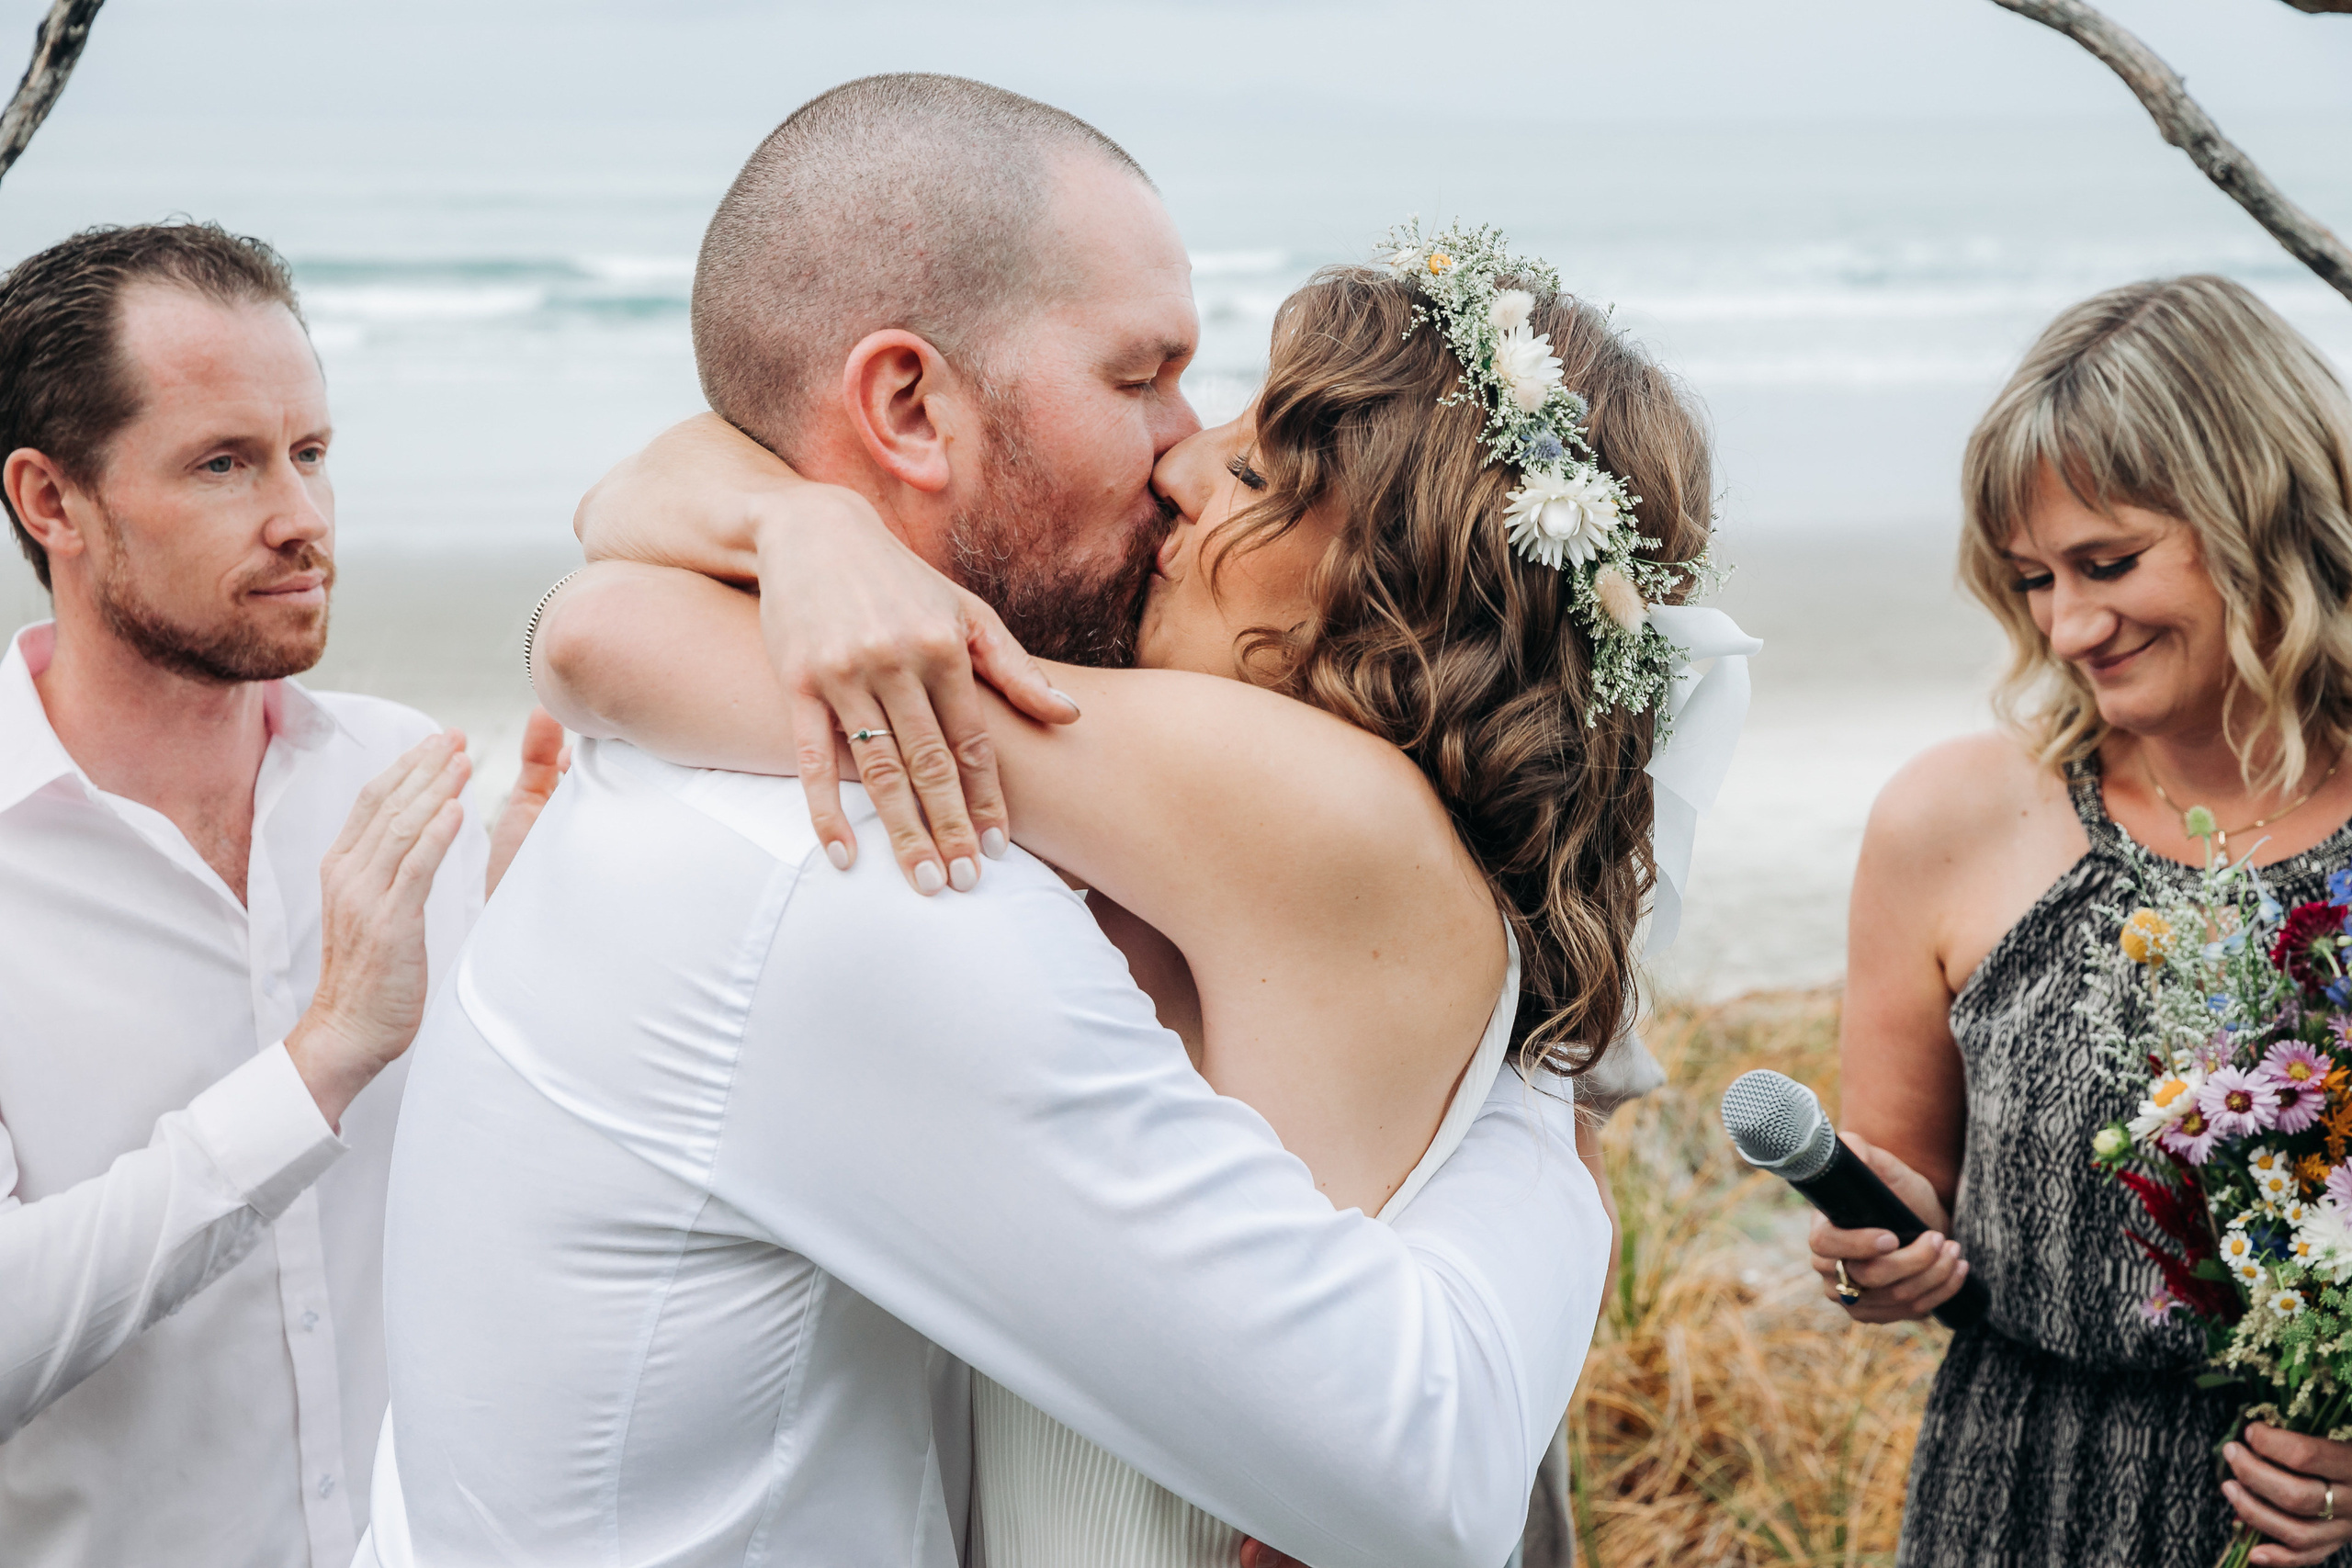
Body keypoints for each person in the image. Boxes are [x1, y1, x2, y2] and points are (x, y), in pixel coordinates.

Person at [357, 77, 1717, 1568]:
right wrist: (783, 522)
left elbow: (600, 626)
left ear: (1389, 601)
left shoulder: (1252, 810)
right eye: (1145, 377)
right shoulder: (873, 867)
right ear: (907, 407)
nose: (1182, 457)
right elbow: (598, 627)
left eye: (1252, 463)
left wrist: (1545, 1121)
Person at [0, 220, 561, 1566]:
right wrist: (318, 1066)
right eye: (224, 464)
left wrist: (538, 965)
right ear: (51, 502)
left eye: (311, 454)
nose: (301, 518)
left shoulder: (398, 776)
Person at [1812, 274, 2352, 1568]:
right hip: (2014, 1497)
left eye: (2109, 563)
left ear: (2261, 517)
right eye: (2033, 579)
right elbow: (1889, 1200)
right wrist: (1863, 1257)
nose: (2068, 625)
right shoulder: (1951, 819)